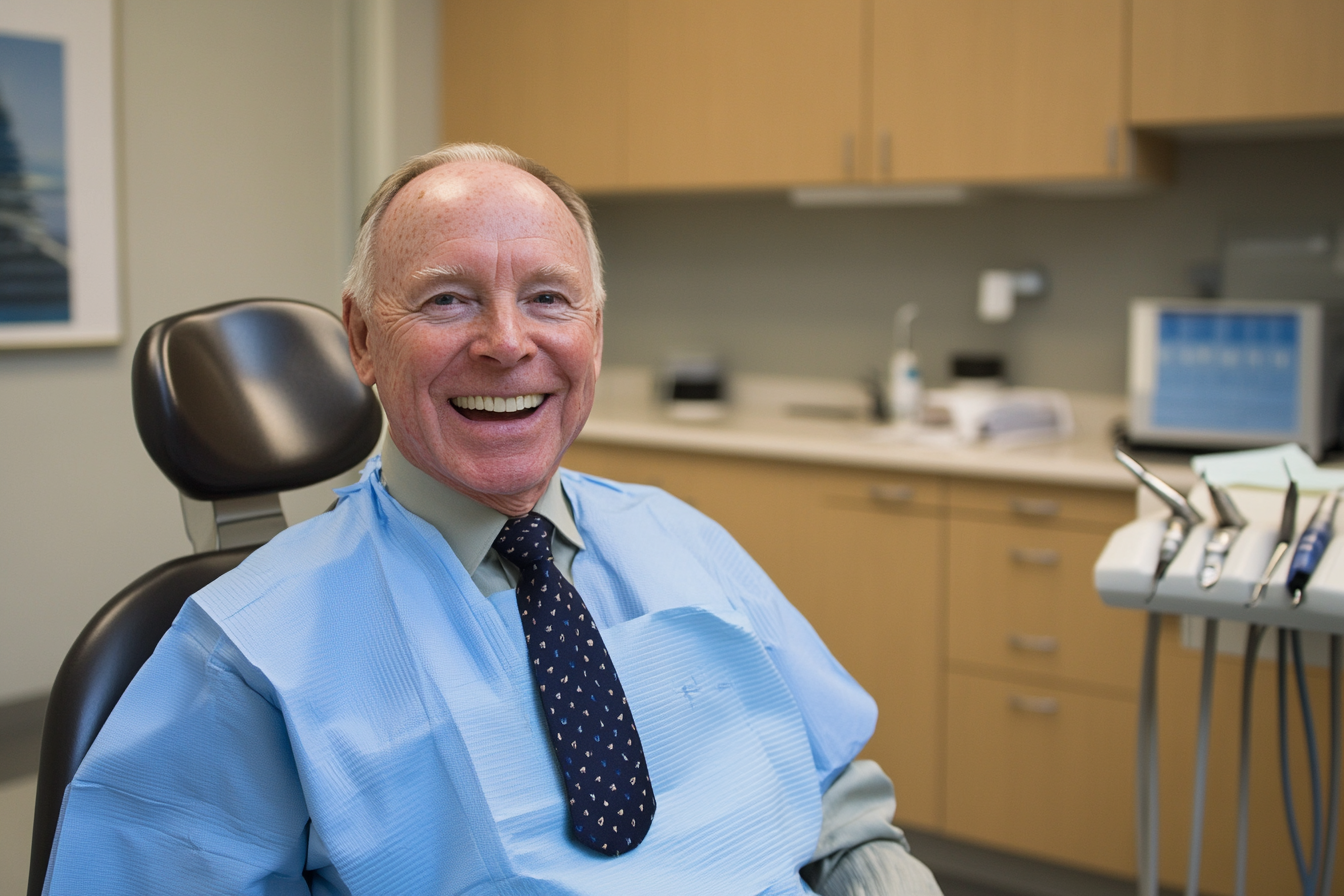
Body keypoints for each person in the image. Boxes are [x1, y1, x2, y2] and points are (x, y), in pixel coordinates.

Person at [42, 144, 942, 895]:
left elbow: (842, 812)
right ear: (361, 339)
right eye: (448, 299)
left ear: (595, 330)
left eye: (549, 298)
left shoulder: (684, 542)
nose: (508, 344)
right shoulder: (248, 656)